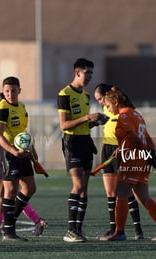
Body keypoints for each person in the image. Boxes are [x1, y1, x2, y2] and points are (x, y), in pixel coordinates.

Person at [101, 87, 156, 241]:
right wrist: (150, 155)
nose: (107, 108)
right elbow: (147, 139)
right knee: (143, 196)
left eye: (108, 106)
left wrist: (141, 153)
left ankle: (119, 232)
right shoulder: (137, 115)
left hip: (133, 159)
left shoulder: (124, 116)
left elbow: (132, 136)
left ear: (115, 102)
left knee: (120, 193)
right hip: (142, 161)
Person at [0, 93, 47, 237]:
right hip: (2, 158)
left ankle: (31, 221)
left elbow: (19, 135)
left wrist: (31, 154)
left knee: (8, 193)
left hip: (9, 156)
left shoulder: (8, 111)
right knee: (0, 194)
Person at [57, 58, 107, 242]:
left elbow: (85, 125)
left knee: (85, 189)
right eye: (87, 73)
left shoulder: (86, 96)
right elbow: (64, 125)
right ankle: (70, 231)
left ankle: (78, 230)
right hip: (72, 143)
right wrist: (87, 117)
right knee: (77, 185)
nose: (89, 77)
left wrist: (96, 122)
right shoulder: (64, 94)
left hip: (86, 141)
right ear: (77, 72)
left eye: (92, 73)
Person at [0, 76, 40, 241]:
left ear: (19, 90)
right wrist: (13, 151)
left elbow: (23, 132)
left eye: (13, 90)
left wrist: (32, 151)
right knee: (10, 191)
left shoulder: (22, 107)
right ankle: (9, 231)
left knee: (30, 188)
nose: (10, 94)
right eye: (6, 91)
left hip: (22, 152)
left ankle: (9, 223)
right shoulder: (1, 108)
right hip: (7, 153)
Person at [93, 84, 144, 241]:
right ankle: (113, 229)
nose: (101, 103)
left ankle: (138, 229)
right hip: (107, 149)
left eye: (101, 99)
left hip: (122, 150)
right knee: (110, 193)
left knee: (127, 192)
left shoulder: (121, 110)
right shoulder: (105, 110)